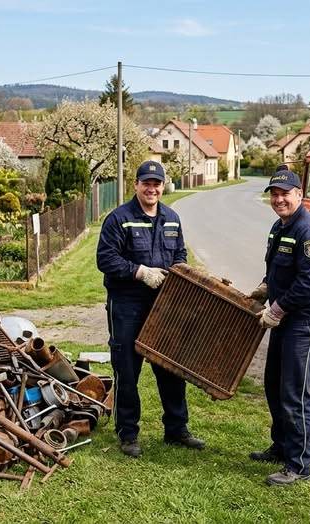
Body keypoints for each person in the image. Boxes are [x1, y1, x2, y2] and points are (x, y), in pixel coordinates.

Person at [96, 160, 205, 457]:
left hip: (163, 304)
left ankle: (177, 429)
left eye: (157, 183)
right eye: (146, 183)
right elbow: (105, 260)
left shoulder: (171, 218)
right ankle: (128, 433)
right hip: (127, 304)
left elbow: (179, 254)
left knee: (170, 367)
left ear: (162, 186)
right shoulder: (119, 219)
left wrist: (181, 272)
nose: (152, 188)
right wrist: (140, 272)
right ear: (136, 185)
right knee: (128, 370)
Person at [248, 168, 310, 485]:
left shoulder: (308, 232)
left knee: (295, 394)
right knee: (274, 385)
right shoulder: (279, 226)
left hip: (305, 322)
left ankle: (299, 466)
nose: (279, 199)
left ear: (299, 194)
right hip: (284, 318)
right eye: (274, 193)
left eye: (285, 193)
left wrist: (278, 309)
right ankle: (282, 446)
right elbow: (278, 271)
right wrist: (265, 287)